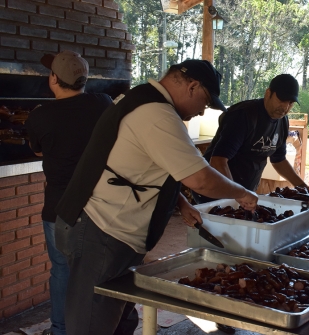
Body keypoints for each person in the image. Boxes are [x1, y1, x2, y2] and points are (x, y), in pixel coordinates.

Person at [52, 59, 258, 335]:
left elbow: (147, 167)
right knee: (92, 325)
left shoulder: (142, 99)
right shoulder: (157, 114)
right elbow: (200, 178)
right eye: (205, 103)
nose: (201, 112)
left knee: (120, 319)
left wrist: (180, 202)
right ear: (192, 86)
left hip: (113, 232)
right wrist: (242, 193)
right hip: (102, 232)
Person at [25, 51, 113, 335]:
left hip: (60, 209)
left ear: (53, 79)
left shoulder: (40, 115)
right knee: (96, 271)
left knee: (62, 271)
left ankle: (61, 330)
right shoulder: (103, 103)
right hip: (100, 206)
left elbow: (37, 149)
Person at [193, 74, 309, 204]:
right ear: (268, 93)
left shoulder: (282, 121)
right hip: (214, 192)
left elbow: (279, 160)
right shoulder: (243, 116)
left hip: (243, 193)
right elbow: (218, 161)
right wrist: (237, 195)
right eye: (281, 100)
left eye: (290, 103)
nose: (285, 107)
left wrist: (304, 189)